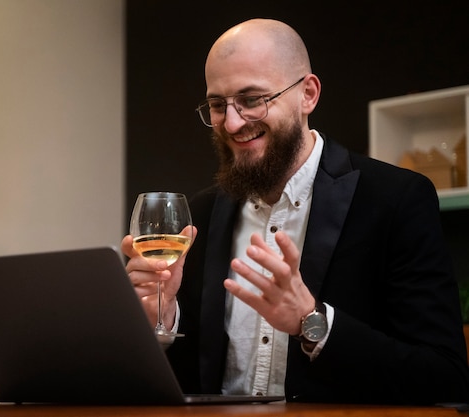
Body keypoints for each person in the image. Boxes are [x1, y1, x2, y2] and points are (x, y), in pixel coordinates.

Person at [121, 18, 469, 405]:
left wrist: (311, 321)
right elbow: (192, 385)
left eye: (252, 100)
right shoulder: (198, 216)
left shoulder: (396, 200)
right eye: (218, 105)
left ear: (308, 94)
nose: (232, 123)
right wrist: (162, 321)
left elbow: (444, 375)